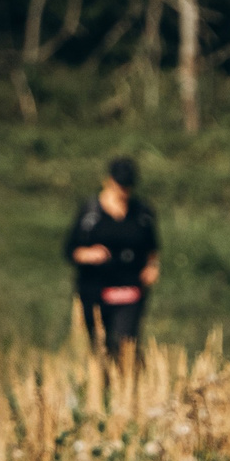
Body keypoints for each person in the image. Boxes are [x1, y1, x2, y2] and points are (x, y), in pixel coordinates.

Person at [65, 156, 160, 401]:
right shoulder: (90, 212)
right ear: (108, 181)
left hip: (131, 290)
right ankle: (103, 393)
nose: (124, 190)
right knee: (100, 346)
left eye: (128, 185)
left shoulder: (143, 212)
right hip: (96, 289)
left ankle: (129, 391)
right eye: (120, 184)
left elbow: (153, 248)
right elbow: (70, 250)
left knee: (125, 341)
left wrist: (152, 267)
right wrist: (89, 254)